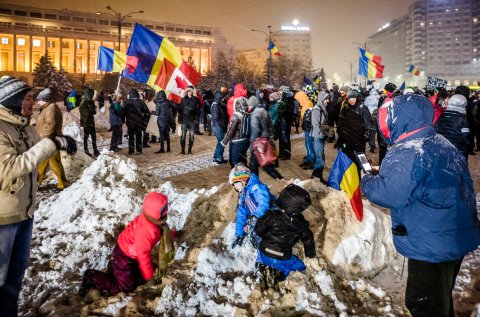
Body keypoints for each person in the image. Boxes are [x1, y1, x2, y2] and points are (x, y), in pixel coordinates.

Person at [360, 94, 480, 317]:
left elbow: (388, 194)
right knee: (440, 298)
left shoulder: (408, 150)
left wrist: (366, 179)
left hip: (432, 243)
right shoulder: (438, 141)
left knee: (423, 304)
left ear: (399, 119)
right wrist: (387, 174)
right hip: (454, 237)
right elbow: (421, 178)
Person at [0, 77, 76, 317]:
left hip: (25, 212)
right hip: (4, 218)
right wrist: (50, 144)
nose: (33, 103)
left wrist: (59, 143)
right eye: (28, 98)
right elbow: (8, 169)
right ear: (12, 101)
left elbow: (37, 154)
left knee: (16, 274)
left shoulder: (24, 125)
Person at [80, 192, 174, 296]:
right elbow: (143, 255)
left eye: (166, 207)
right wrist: (149, 278)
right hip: (123, 256)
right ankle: (92, 276)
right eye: (163, 209)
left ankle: (115, 269)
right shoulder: (146, 231)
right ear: (155, 214)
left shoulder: (152, 220)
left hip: (131, 254)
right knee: (122, 288)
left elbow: (164, 231)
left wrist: (173, 234)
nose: (167, 211)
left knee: (137, 278)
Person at [254, 184, 316, 289]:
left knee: (260, 250)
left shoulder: (271, 215)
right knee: (300, 266)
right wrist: (310, 254)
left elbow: (258, 230)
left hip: (264, 252)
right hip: (282, 257)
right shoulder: (300, 222)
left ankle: (260, 265)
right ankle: (281, 277)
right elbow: (308, 238)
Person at [229, 164, 272, 249]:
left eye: (236, 184)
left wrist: (255, 217)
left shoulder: (256, 187)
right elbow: (241, 212)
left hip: (270, 215)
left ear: (244, 180)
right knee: (254, 236)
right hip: (259, 218)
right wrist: (239, 234)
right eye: (234, 186)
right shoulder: (243, 193)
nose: (236, 188)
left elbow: (264, 203)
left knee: (259, 237)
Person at [36, 88, 68, 190]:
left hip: (50, 141)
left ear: (46, 99)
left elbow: (50, 125)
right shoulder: (48, 107)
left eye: (40, 100)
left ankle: (62, 183)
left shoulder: (51, 109)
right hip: (50, 140)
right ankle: (37, 183)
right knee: (44, 163)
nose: (38, 102)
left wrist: (43, 138)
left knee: (53, 163)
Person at [248, 96, 283, 180]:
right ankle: (280, 179)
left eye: (249, 105)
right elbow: (269, 126)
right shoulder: (263, 110)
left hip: (258, 143)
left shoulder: (255, 114)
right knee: (262, 164)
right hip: (265, 140)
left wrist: (251, 145)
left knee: (259, 165)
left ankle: (281, 180)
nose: (248, 107)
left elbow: (255, 131)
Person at [335, 90, 371, 166]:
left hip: (359, 140)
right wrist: (341, 135)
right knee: (349, 161)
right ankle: (352, 176)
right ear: (347, 99)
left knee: (361, 160)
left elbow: (368, 124)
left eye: (354, 98)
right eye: (350, 98)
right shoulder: (345, 108)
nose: (352, 100)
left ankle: (363, 176)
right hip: (348, 140)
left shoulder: (363, 108)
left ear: (357, 98)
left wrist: (365, 136)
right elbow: (341, 124)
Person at [435, 94, 470, 161]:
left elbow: (437, 130)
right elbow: (466, 136)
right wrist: (467, 147)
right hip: (458, 149)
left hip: (444, 147)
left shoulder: (442, 115)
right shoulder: (463, 118)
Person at [222, 97, 250, 167]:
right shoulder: (248, 114)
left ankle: (237, 176)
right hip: (246, 141)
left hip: (236, 142)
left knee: (235, 162)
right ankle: (245, 175)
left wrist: (224, 142)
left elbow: (231, 130)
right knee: (243, 160)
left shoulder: (236, 115)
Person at [310, 91, 329, 183]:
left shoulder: (323, 108)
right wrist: (325, 129)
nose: (327, 101)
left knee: (321, 157)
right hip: (317, 136)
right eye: (326, 99)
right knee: (320, 158)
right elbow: (315, 124)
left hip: (321, 136)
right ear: (322, 99)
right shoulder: (317, 109)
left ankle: (318, 177)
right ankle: (316, 178)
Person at [124, 89, 150, 155]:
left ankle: (131, 150)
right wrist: (145, 119)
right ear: (137, 94)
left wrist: (123, 119)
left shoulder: (127, 102)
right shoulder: (140, 102)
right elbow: (147, 111)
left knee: (131, 137)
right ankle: (138, 150)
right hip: (139, 122)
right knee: (138, 136)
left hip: (130, 122)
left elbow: (124, 112)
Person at [377, 83, 396, 165]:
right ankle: (382, 165)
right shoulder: (384, 98)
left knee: (385, 147)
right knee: (383, 147)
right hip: (383, 124)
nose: (395, 92)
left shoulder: (388, 97)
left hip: (386, 124)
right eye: (394, 90)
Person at [295, 91, 314, 170]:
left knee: (309, 144)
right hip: (307, 127)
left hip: (308, 127)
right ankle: (309, 158)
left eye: (298, 99)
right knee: (307, 143)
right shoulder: (305, 104)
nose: (298, 101)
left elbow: (308, 118)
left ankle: (310, 161)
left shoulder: (308, 104)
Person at [178, 86, 200, 155]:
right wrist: (180, 119)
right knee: (183, 136)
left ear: (192, 92)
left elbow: (198, 111)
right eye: (188, 91)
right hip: (184, 121)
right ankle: (182, 151)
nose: (189, 92)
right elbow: (180, 110)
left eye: (191, 91)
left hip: (192, 121)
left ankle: (189, 150)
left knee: (192, 136)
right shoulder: (183, 99)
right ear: (186, 92)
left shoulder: (196, 100)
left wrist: (196, 119)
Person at [79, 87, 100, 157]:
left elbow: (91, 111)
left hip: (88, 121)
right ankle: (89, 150)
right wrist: (91, 110)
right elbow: (85, 111)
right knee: (89, 137)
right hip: (87, 121)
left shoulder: (85, 100)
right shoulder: (86, 101)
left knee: (89, 137)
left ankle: (92, 150)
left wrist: (93, 109)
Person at [211, 90, 228, 164]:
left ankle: (216, 156)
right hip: (218, 126)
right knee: (222, 142)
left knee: (220, 141)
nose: (223, 98)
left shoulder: (218, 104)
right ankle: (219, 158)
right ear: (219, 97)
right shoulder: (216, 105)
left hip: (218, 125)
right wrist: (222, 124)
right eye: (222, 97)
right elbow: (216, 117)